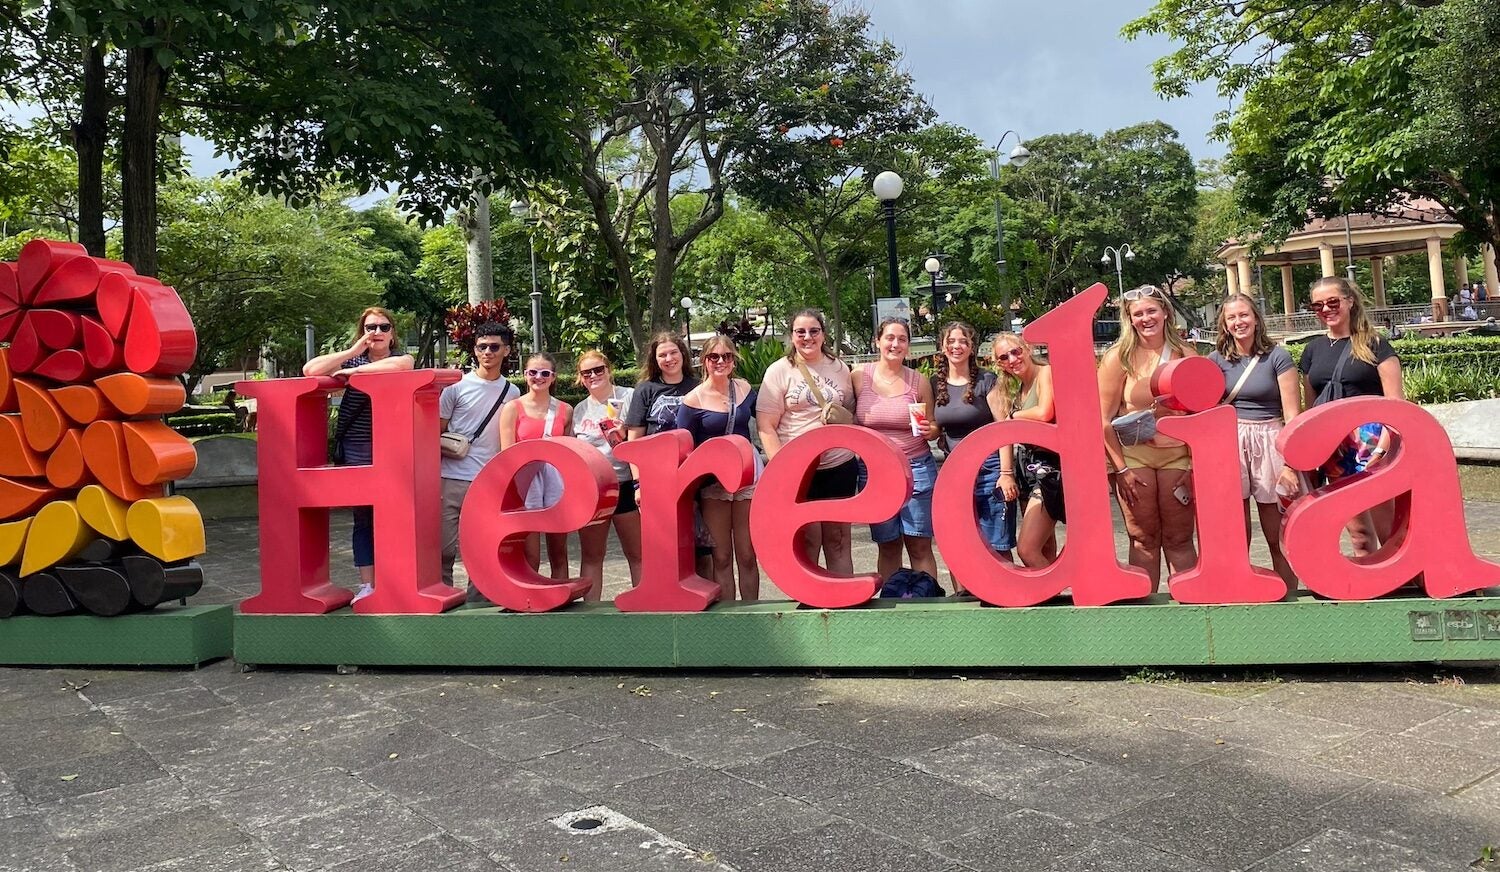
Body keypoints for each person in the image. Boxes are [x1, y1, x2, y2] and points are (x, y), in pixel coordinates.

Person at [302, 306, 414, 602]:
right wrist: (352, 351)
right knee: (363, 517)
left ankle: (395, 581)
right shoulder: (352, 357)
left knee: (394, 515)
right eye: (370, 327)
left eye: (383, 327)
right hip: (356, 446)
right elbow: (310, 370)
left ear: (393, 333)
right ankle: (368, 584)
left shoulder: (401, 358)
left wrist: (354, 372)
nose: (377, 332)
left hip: (392, 448)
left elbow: (399, 368)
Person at [1099, 285, 1198, 590]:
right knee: (1143, 538)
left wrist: (1195, 466)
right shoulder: (1119, 357)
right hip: (1134, 457)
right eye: (1137, 314)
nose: (1145, 318)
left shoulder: (1186, 354)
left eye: (1151, 310)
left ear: (1165, 312)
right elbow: (1101, 419)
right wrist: (1121, 469)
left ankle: (1192, 605)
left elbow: (1203, 416)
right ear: (1129, 320)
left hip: (1178, 456)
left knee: (1179, 538)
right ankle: (1144, 609)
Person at [1298, 276, 1403, 557]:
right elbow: (1311, 407)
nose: (1326, 309)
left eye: (1333, 302)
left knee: (1388, 528)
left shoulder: (1374, 343)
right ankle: (1369, 588)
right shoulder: (1312, 350)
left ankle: (1403, 584)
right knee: (1358, 533)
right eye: (1317, 305)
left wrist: (1384, 445)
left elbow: (1396, 403)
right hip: (1334, 446)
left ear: (1349, 301)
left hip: (1370, 442)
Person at [1207, 295, 1301, 589]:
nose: (1239, 322)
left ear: (1256, 318)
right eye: (1232, 317)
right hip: (1229, 440)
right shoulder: (1215, 360)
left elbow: (1292, 413)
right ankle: (1240, 588)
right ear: (1224, 323)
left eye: (1244, 315)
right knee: (1235, 528)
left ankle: (1289, 594)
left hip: (1269, 437)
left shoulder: (1277, 356)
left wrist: (1291, 463)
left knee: (1277, 529)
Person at [756, 309, 857, 575]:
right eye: (800, 332)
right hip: (798, 469)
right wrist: (781, 467)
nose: (807, 337)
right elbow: (766, 425)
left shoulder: (840, 368)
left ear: (823, 334)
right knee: (808, 539)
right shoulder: (778, 371)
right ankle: (809, 605)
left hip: (838, 464)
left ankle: (846, 602)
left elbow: (849, 412)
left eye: (814, 331)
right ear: (792, 336)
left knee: (837, 540)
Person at [851, 318, 940, 582]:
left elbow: (933, 425)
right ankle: (890, 607)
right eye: (889, 337)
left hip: (916, 468)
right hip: (875, 471)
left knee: (920, 545)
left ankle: (926, 604)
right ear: (877, 341)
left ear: (908, 347)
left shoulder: (918, 381)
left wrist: (930, 431)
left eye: (902, 339)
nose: (895, 344)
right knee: (888, 544)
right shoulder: (859, 376)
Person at [439, 322, 518, 603]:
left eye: (494, 347)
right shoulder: (455, 389)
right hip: (451, 477)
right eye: (481, 346)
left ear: (506, 351)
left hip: (487, 481)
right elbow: (436, 432)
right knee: (443, 549)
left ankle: (477, 604)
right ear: (474, 350)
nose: (487, 352)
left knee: (481, 550)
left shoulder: (513, 393)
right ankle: (443, 599)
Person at [677, 335, 760, 601]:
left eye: (727, 356)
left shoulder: (745, 389)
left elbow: (768, 421)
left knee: (747, 554)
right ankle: (730, 617)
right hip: (714, 484)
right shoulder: (692, 400)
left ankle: (751, 612)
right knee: (722, 556)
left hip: (747, 478)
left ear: (734, 360)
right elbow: (683, 447)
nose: (721, 362)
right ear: (704, 362)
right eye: (714, 357)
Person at [931, 322, 1015, 573]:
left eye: (963, 341)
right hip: (954, 471)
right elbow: (936, 425)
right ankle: (964, 594)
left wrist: (1006, 474)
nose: (957, 346)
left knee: (997, 540)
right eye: (952, 341)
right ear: (943, 346)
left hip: (990, 468)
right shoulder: (935, 383)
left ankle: (1007, 595)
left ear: (972, 347)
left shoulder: (988, 380)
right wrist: (932, 431)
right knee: (961, 539)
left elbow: (1004, 428)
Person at [625, 332, 711, 575]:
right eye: (662, 354)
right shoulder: (645, 390)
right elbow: (635, 441)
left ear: (683, 354)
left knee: (702, 546)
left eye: (673, 352)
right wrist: (638, 484)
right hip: (657, 479)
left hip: (696, 478)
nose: (669, 358)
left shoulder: (699, 387)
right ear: (654, 359)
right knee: (666, 545)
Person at [571, 350, 642, 600]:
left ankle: (643, 606)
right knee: (592, 555)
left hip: (625, 484)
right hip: (594, 489)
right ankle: (591, 613)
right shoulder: (579, 410)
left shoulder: (629, 397)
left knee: (637, 553)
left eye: (598, 369)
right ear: (580, 378)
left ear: (609, 370)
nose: (593, 376)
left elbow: (642, 437)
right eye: (586, 373)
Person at [497, 352, 573, 578]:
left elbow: (568, 450)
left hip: (555, 481)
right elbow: (506, 453)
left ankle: (561, 599)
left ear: (553, 377)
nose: (538, 377)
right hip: (525, 482)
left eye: (544, 373)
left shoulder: (565, 410)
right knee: (530, 553)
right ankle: (532, 599)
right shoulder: (512, 408)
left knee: (559, 551)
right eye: (533, 372)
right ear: (525, 375)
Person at [992, 332, 1061, 569]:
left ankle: (1052, 594)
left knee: (1027, 549)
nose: (1012, 359)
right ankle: (1050, 600)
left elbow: (1044, 413)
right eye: (1003, 357)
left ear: (1028, 350)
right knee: (1044, 547)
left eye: (1016, 351)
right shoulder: (1015, 389)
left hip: (1049, 469)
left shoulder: (1045, 373)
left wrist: (1012, 417)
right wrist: (1007, 472)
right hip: (1026, 469)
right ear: (999, 364)